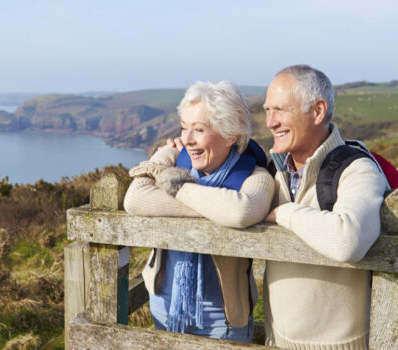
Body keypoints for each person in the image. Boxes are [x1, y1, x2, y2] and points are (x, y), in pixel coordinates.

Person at [124, 81, 274, 342]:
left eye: (199, 129)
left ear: (231, 134)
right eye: (184, 128)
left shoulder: (256, 177)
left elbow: (240, 211)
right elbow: (135, 200)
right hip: (165, 307)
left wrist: (175, 187)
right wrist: (166, 152)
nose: (187, 139)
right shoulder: (177, 160)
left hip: (223, 320)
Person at [262, 64, 389, 349]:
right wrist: (175, 155)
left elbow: (349, 240)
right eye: (267, 110)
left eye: (280, 110)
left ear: (318, 111)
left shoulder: (357, 169)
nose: (270, 122)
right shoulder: (272, 168)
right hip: (275, 339)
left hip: (338, 345)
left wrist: (284, 213)